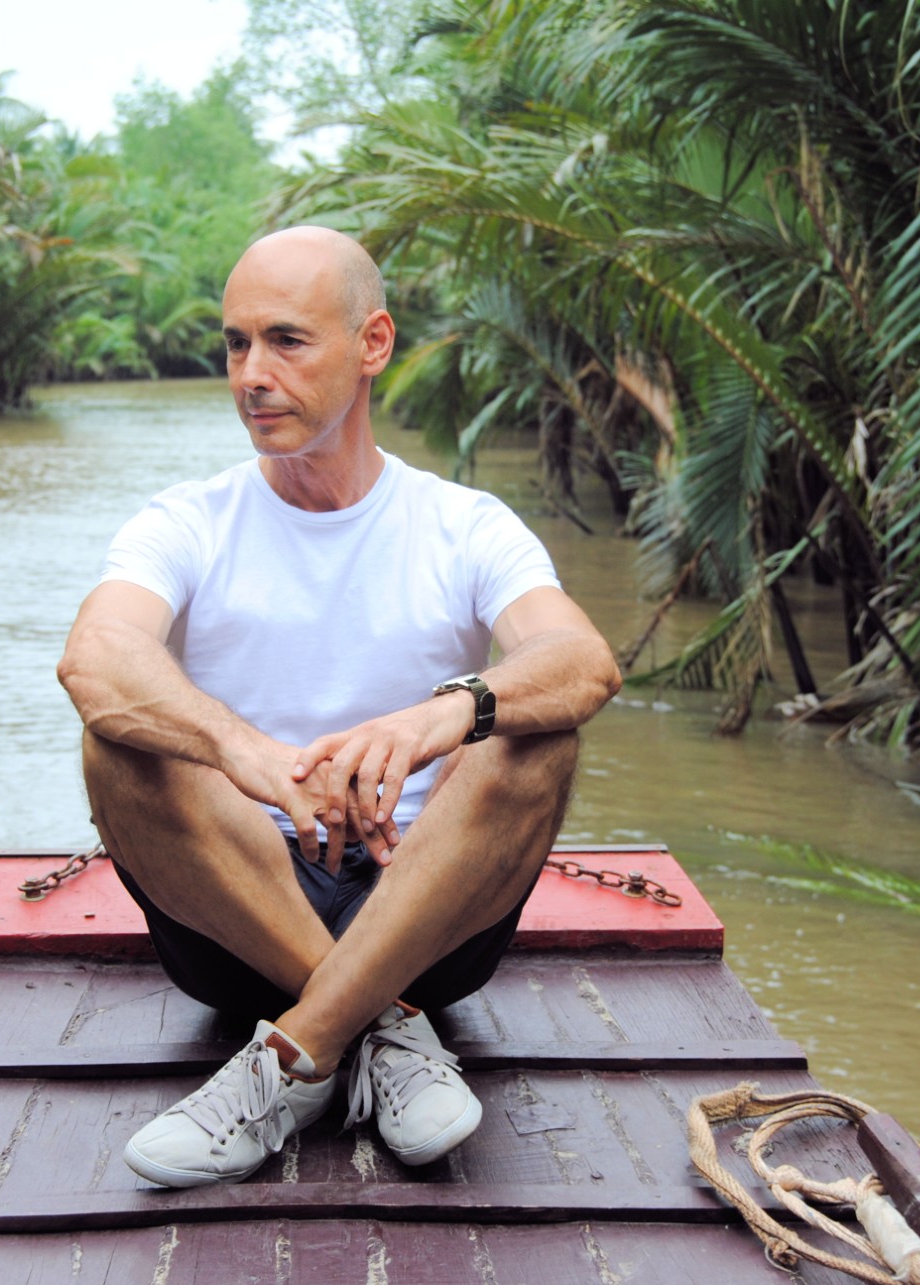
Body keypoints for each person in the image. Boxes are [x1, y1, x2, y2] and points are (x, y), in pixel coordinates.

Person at [57, 225, 620, 1189]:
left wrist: (443, 713)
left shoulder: (464, 524)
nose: (250, 374)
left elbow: (582, 661)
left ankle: (296, 1052)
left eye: (286, 340)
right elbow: (97, 658)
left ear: (372, 344)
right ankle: (390, 1030)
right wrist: (245, 751)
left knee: (532, 735)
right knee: (120, 747)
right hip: (238, 914)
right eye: (236, 344)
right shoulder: (188, 519)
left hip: (430, 908)